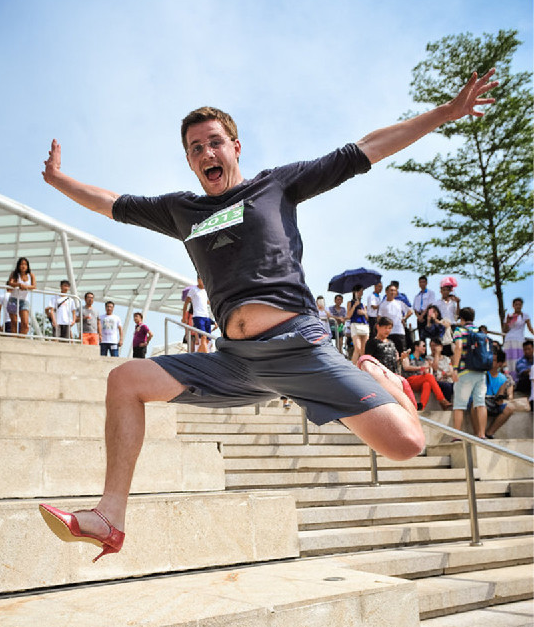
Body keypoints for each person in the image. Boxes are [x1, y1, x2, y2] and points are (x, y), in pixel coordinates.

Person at [38, 68, 497, 558]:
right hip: (236, 360)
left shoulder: (275, 186)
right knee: (125, 379)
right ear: (190, 161)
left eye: (214, 142)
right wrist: (60, 180)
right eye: (195, 148)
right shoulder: (182, 211)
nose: (206, 153)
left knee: (408, 444)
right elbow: (113, 203)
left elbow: (365, 149)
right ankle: (109, 517)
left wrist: (447, 113)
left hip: (299, 347)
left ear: (236, 147)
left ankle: (384, 380)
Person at [450, 306, 488, 439]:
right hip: (480, 371)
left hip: (464, 371)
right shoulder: (479, 331)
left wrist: (455, 368)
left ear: (461, 318)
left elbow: (458, 347)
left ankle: (457, 435)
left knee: (459, 405)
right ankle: (482, 434)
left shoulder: (459, 330)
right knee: (480, 403)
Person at [401, 339, 451, 411]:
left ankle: (421, 407)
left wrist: (425, 370)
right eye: (423, 346)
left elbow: (426, 371)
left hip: (419, 381)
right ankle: (442, 400)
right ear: (416, 347)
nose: (425, 348)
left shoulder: (424, 360)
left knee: (427, 384)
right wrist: (421, 368)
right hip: (409, 380)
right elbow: (406, 367)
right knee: (429, 377)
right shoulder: (408, 356)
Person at [477, 349, 516, 439]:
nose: (490, 361)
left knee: (509, 409)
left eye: (493, 360)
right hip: (481, 401)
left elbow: (500, 395)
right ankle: (478, 433)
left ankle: (489, 433)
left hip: (492, 402)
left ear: (500, 364)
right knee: (476, 404)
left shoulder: (503, 378)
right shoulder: (481, 374)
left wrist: (500, 399)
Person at [502, 298, 533, 378]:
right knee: (509, 361)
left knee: (519, 360)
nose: (518, 306)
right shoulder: (509, 316)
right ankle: (510, 381)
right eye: (516, 304)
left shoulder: (525, 316)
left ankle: (519, 380)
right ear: (513, 306)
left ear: (522, 305)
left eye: (520, 304)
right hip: (509, 340)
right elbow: (505, 330)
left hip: (520, 341)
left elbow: (530, 328)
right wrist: (508, 322)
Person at [7, 257, 36, 335]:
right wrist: (19, 284)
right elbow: (10, 283)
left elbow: (34, 286)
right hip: (13, 299)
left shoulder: (31, 275)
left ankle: (21, 339)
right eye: (21, 264)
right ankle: (14, 340)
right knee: (14, 322)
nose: (23, 266)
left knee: (25, 324)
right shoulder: (15, 274)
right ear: (18, 265)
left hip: (24, 300)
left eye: (25, 264)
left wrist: (25, 287)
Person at [377, 284, 409, 354]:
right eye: (391, 290)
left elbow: (410, 311)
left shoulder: (399, 303)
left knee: (402, 352)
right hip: (388, 332)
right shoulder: (382, 304)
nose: (393, 292)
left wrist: (404, 318)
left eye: (394, 291)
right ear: (386, 292)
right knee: (389, 353)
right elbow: (379, 318)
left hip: (399, 331)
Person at [183, 276, 212, 353]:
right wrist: (184, 317)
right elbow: (186, 303)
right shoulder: (193, 290)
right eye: (201, 279)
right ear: (198, 280)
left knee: (208, 339)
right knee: (203, 337)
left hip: (206, 316)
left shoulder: (206, 291)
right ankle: (205, 356)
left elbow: (206, 302)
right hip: (198, 316)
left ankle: (200, 354)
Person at [434, 278, 460, 354]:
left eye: (447, 290)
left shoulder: (453, 303)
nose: (445, 292)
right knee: (445, 347)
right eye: (444, 290)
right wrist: (440, 323)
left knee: (455, 346)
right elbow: (433, 316)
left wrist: (458, 303)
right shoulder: (437, 303)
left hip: (453, 325)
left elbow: (457, 315)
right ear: (440, 291)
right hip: (443, 326)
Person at [347, 284, 369, 363]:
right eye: (359, 291)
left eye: (362, 291)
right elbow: (348, 315)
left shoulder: (363, 304)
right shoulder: (350, 303)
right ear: (354, 292)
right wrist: (354, 306)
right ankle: (352, 368)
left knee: (363, 350)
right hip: (355, 325)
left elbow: (367, 317)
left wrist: (364, 313)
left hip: (364, 325)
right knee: (358, 348)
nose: (361, 293)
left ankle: (363, 367)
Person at [429, 338, 454, 402]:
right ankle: (447, 403)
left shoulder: (446, 358)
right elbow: (435, 368)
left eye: (435, 345)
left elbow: (452, 371)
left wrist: (447, 374)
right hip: (437, 380)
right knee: (447, 386)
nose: (433, 348)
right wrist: (437, 354)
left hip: (448, 379)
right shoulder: (429, 358)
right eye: (431, 346)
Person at [413, 276, 437, 340]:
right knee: (421, 338)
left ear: (426, 283)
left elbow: (430, 305)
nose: (422, 284)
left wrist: (423, 315)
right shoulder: (417, 296)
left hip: (427, 315)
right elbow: (415, 308)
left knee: (432, 336)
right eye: (420, 282)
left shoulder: (430, 293)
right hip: (419, 317)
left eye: (423, 282)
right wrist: (418, 316)